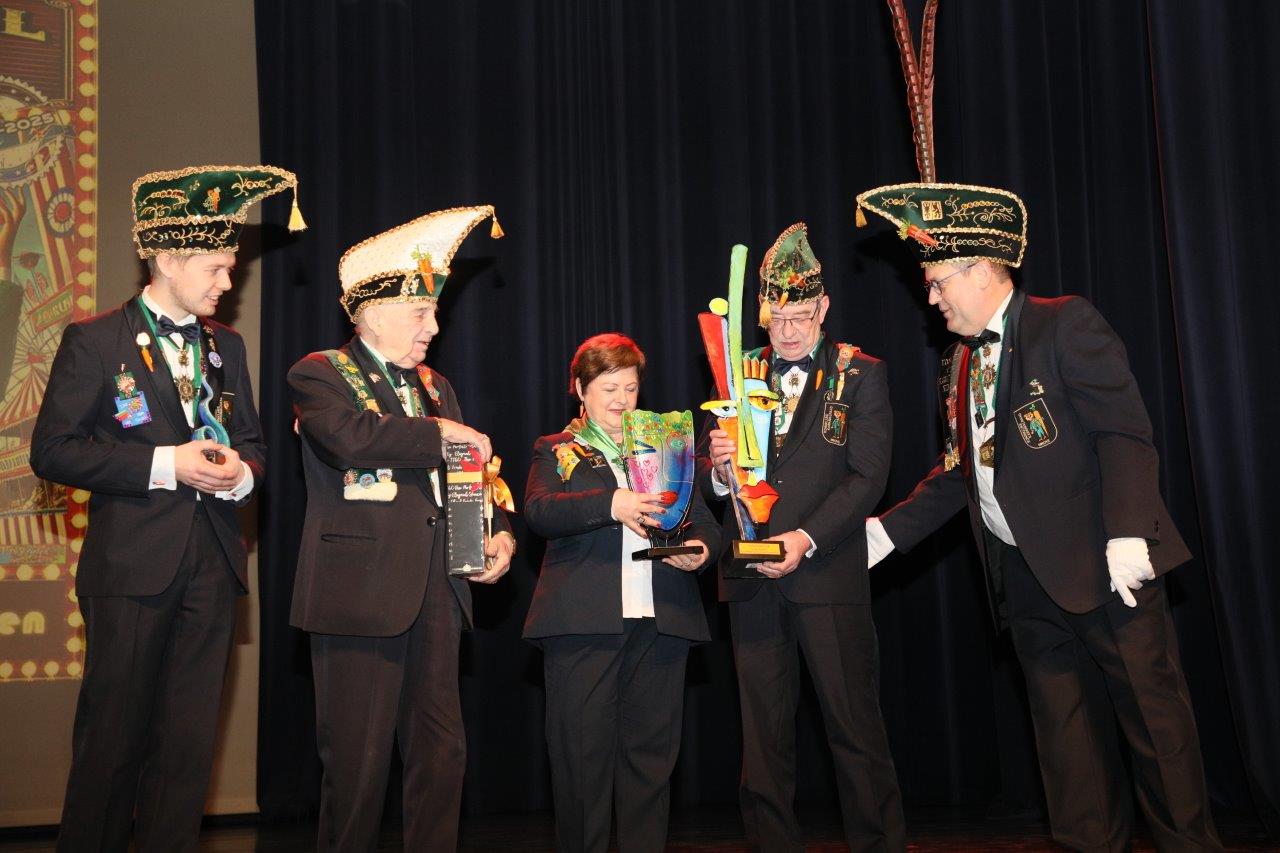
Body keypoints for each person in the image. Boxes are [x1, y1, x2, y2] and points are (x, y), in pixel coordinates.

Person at [857, 182, 1222, 851]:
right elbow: (962, 472)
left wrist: (1128, 532)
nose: (931, 299)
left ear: (981, 271)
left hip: (1107, 566)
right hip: (1022, 579)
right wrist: (883, 534)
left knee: (1155, 728)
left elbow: (1123, 433)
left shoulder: (1064, 323)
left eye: (937, 283)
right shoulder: (957, 362)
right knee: (1066, 744)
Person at [31, 164, 295, 850]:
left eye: (231, 268)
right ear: (168, 259)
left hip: (213, 568)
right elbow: (53, 451)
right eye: (217, 268)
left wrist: (240, 476)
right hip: (130, 571)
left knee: (186, 753)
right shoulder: (96, 340)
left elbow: (253, 445)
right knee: (111, 747)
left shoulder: (226, 346)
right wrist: (165, 464)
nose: (227, 283)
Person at [288, 205, 515, 852]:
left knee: (442, 757)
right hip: (359, 594)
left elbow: (469, 472)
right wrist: (441, 432)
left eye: (434, 312)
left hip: (439, 590)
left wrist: (497, 530)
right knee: (356, 768)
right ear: (373, 314)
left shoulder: (436, 385)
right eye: (420, 313)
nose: (434, 327)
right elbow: (351, 438)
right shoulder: (320, 372)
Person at [699, 224, 904, 852]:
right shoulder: (740, 370)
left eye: (800, 316)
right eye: (776, 318)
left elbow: (868, 477)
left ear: (823, 307)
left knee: (854, 730)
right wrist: (719, 469)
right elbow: (715, 481)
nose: (787, 331)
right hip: (752, 578)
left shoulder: (859, 373)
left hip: (826, 573)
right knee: (763, 740)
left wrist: (806, 539)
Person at [523, 333, 719, 853]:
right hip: (583, 625)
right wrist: (613, 503)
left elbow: (704, 521)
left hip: (663, 622)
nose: (621, 400)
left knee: (651, 764)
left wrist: (701, 550)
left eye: (630, 388)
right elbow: (540, 510)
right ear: (580, 390)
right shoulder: (557, 448)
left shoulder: (665, 446)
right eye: (608, 388)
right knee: (581, 764)